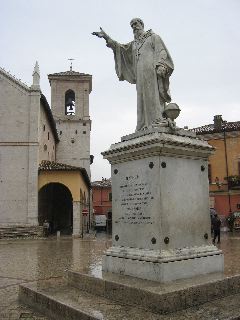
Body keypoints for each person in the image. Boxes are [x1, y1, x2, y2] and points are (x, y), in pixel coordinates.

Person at [92, 18, 174, 131]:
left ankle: (157, 120)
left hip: (152, 72)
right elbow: (120, 48)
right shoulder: (134, 44)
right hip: (140, 75)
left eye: (136, 24)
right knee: (141, 99)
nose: (134, 27)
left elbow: (162, 51)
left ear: (142, 24)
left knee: (153, 95)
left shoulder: (153, 37)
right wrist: (106, 37)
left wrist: (161, 65)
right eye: (132, 25)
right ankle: (144, 124)